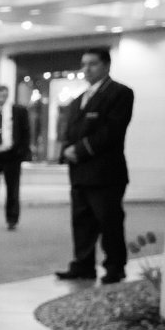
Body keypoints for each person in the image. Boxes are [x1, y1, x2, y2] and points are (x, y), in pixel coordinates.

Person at [56, 47, 134, 284]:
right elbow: (70, 131)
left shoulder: (119, 93)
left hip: (105, 173)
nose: (86, 69)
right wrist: (66, 150)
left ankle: (115, 266)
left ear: (106, 66)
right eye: (84, 64)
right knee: (82, 222)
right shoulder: (79, 98)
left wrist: (78, 150)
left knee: (109, 222)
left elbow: (111, 131)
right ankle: (83, 265)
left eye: (92, 64)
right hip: (80, 172)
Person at [0, 84, 31, 231]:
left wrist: (21, 151)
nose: (0, 98)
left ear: (7, 95)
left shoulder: (19, 112)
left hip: (11, 156)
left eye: (3, 95)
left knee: (13, 189)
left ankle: (12, 219)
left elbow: (26, 132)